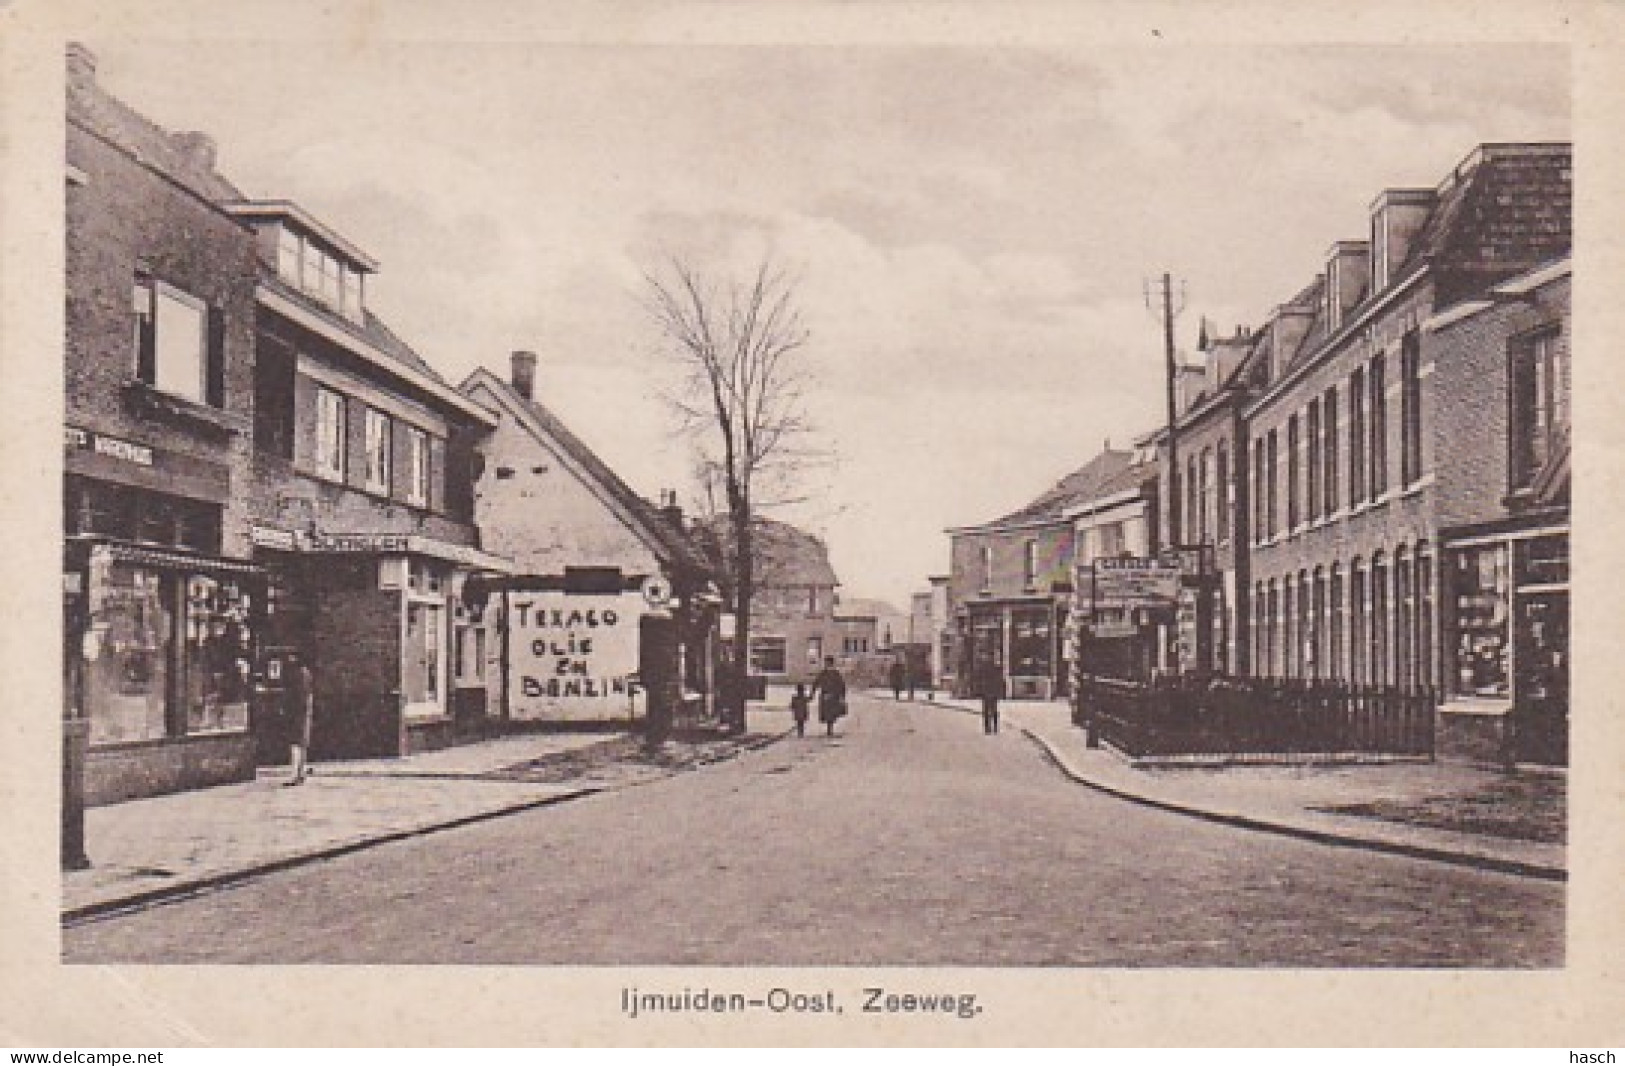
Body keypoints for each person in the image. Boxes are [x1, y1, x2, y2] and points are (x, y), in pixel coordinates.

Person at [283, 650, 315, 786]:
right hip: (305, 711)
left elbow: (295, 695)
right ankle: (300, 774)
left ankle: (295, 775)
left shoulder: (297, 675)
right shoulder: (306, 673)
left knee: (295, 743)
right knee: (302, 744)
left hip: (297, 712)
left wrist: (287, 708)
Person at [811, 656, 847, 737]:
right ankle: (829, 728)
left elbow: (841, 685)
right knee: (828, 713)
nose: (826, 664)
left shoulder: (834, 673)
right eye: (826, 663)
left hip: (832, 695)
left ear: (830, 663)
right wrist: (812, 694)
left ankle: (829, 728)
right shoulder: (824, 673)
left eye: (827, 663)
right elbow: (816, 683)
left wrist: (842, 696)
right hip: (827, 695)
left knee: (830, 713)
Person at [976, 655, 1004, 735]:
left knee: (987, 711)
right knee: (993, 710)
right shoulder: (997, 669)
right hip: (992, 692)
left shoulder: (983, 669)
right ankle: (994, 728)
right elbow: (1000, 681)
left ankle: (988, 728)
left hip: (987, 692)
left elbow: (980, 680)